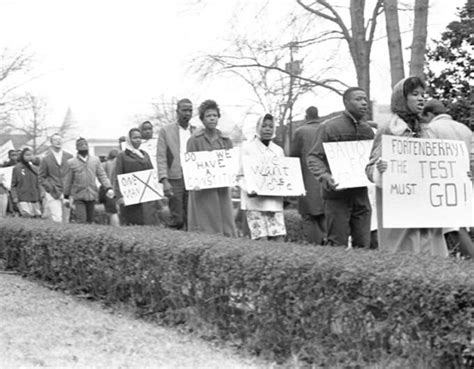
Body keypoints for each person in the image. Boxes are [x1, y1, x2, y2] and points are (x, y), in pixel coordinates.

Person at [366, 76, 448, 256]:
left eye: (423, 94)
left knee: (431, 252)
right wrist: (380, 169)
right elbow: (370, 167)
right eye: (415, 94)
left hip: (424, 203)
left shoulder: (427, 129)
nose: (421, 98)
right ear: (402, 98)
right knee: (404, 253)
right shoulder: (388, 128)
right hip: (399, 206)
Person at [307, 87, 374, 248]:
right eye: (358, 99)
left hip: (361, 194)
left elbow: (372, 158)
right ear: (346, 102)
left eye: (365, 99)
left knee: (363, 244)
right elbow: (314, 156)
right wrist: (324, 175)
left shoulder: (368, 130)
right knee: (337, 243)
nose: (364, 103)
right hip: (336, 195)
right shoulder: (329, 127)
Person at [421, 99, 474, 258]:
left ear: (429, 114)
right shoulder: (464, 129)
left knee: (451, 226)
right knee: (461, 222)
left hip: (442, 183)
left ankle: (469, 259)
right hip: (464, 180)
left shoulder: (430, 129)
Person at [186, 99, 237, 237]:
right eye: (208, 116)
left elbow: (231, 165)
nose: (212, 118)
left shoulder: (225, 140)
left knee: (225, 221)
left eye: (214, 115)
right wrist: (194, 182)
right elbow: (190, 166)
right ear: (202, 119)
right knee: (205, 225)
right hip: (203, 191)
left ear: (218, 117)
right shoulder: (194, 140)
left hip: (221, 189)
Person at [239, 114, 286, 240]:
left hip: (274, 202)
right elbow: (240, 175)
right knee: (260, 239)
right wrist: (248, 189)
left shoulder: (278, 151)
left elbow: (285, 175)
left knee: (278, 238)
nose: (267, 129)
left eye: (271, 126)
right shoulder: (247, 149)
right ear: (258, 128)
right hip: (255, 202)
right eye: (264, 126)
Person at [157, 98, 195, 230]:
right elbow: (161, 156)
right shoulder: (165, 131)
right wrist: (164, 180)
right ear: (177, 111)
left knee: (192, 217)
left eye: (190, 110)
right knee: (177, 218)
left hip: (193, 178)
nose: (187, 113)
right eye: (184, 110)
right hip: (175, 178)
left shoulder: (196, 131)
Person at [290, 106, 325, 244]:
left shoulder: (300, 132)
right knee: (325, 217)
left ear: (306, 116)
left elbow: (293, 158)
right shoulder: (326, 129)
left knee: (309, 218)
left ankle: (313, 246)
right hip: (325, 182)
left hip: (306, 181)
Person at [114, 128, 159, 225]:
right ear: (129, 139)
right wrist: (119, 196)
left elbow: (151, 174)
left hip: (147, 196)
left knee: (149, 222)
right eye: (135, 138)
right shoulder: (122, 156)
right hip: (131, 196)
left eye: (139, 137)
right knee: (134, 222)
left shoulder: (145, 154)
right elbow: (117, 176)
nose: (138, 140)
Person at [63, 137, 113, 224]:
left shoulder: (95, 160)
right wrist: (66, 197)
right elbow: (68, 180)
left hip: (92, 194)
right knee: (81, 220)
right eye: (81, 145)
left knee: (91, 221)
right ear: (77, 148)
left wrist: (108, 187)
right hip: (79, 196)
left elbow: (102, 175)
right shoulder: (71, 162)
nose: (83, 146)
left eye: (85, 144)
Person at [38, 133, 73, 222]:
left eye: (60, 139)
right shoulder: (46, 159)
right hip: (53, 191)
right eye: (55, 140)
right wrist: (49, 187)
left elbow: (73, 174)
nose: (58, 141)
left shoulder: (69, 157)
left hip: (67, 192)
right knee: (57, 218)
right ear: (51, 143)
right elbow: (41, 177)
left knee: (66, 218)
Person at [11, 148, 43, 218]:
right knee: (27, 215)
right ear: (22, 156)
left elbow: (38, 183)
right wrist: (15, 196)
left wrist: (41, 194)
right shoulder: (17, 168)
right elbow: (13, 184)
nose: (29, 156)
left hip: (34, 197)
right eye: (27, 155)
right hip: (22, 197)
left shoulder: (35, 169)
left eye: (30, 155)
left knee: (37, 216)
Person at [100, 149, 120, 227]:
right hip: (117, 189)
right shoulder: (118, 164)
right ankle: (117, 227)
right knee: (115, 211)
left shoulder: (104, 165)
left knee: (111, 211)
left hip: (108, 189)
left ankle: (113, 227)